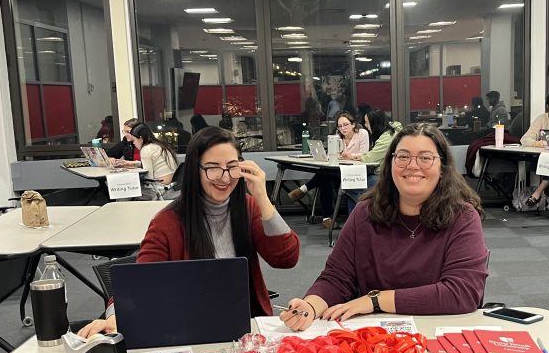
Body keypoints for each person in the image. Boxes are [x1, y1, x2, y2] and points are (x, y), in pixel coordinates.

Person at [77, 127, 300, 337]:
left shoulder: (247, 207)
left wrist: (263, 198)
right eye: (212, 168)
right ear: (195, 170)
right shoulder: (168, 222)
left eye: (232, 166)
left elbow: (286, 258)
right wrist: (116, 317)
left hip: (247, 329)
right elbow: (139, 284)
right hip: (191, 329)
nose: (224, 177)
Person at [279, 123, 488, 332]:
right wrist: (311, 306)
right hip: (374, 337)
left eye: (425, 158)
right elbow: (337, 277)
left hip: (438, 333)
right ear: (390, 164)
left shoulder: (462, 217)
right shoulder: (365, 213)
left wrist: (375, 300)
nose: (413, 166)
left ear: (442, 168)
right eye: (403, 157)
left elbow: (462, 292)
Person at [287, 111, 371, 227]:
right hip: (337, 172)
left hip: (354, 174)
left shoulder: (362, 133)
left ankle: (305, 189)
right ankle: (327, 219)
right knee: (325, 179)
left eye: (346, 124)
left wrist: (350, 157)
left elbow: (365, 155)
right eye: (340, 126)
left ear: (353, 124)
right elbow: (329, 156)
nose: (343, 128)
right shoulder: (337, 137)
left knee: (325, 175)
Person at [342, 108, 403, 217]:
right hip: (388, 173)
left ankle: (358, 220)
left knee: (351, 187)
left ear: (375, 123)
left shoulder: (387, 137)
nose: (366, 125)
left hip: (385, 176)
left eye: (367, 122)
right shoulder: (391, 132)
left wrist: (352, 157)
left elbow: (371, 157)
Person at [116, 123, 179, 201]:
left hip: (160, 189)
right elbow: (155, 165)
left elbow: (148, 177)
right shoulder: (159, 145)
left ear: (141, 138)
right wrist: (134, 163)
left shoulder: (146, 149)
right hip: (172, 187)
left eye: (134, 140)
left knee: (125, 191)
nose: (133, 143)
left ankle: (124, 211)